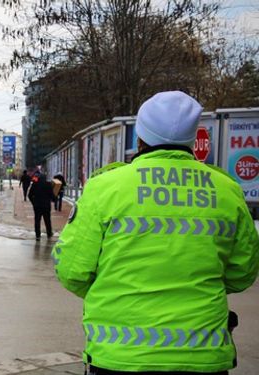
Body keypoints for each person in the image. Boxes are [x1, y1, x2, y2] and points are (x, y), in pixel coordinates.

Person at [52, 91, 259, 374]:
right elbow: (243, 273)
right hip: (203, 356)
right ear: (192, 140)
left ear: (140, 137)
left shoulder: (105, 188)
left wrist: (113, 288)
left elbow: (72, 271)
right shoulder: (227, 191)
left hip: (120, 356)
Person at [28, 169, 55, 241]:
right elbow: (52, 195)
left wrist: (33, 203)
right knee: (47, 220)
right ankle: (49, 233)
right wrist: (54, 199)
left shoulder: (35, 184)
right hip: (46, 206)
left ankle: (37, 235)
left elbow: (30, 195)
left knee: (37, 220)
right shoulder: (48, 184)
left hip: (37, 206)